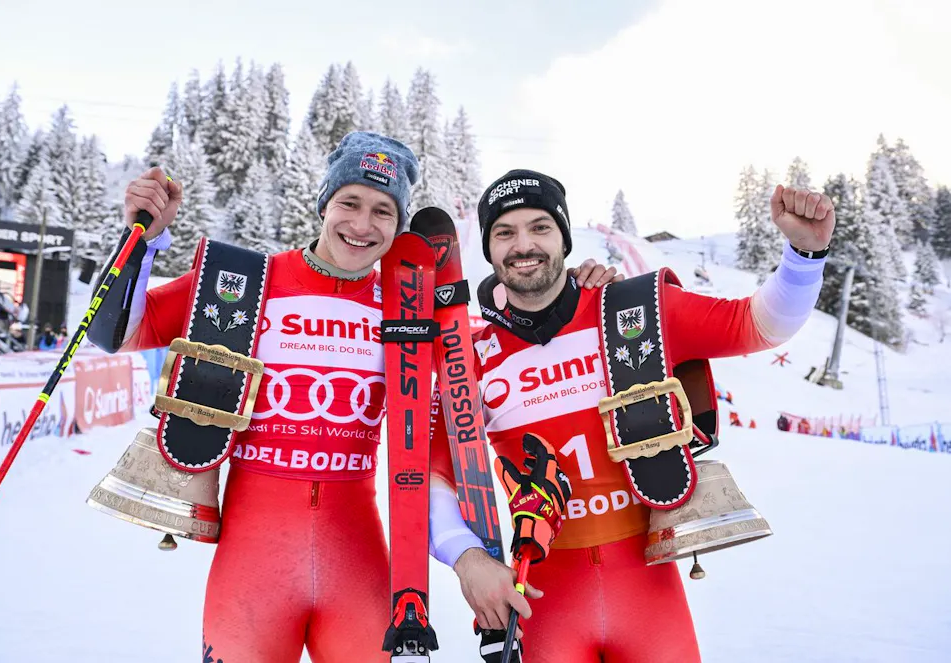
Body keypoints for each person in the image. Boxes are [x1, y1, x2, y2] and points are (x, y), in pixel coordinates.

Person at [91, 133, 620, 663]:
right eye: (350, 202)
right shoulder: (250, 282)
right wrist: (141, 242)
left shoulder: (408, 308)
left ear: (399, 224)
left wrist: (580, 294)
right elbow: (118, 331)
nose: (363, 225)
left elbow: (497, 346)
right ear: (324, 203)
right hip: (252, 568)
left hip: (356, 563)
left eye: (383, 211)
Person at [428, 169, 834, 662]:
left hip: (647, 595)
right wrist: (467, 559)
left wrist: (803, 256)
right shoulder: (468, 358)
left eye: (540, 227)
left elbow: (757, 324)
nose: (523, 245)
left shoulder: (634, 311)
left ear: (564, 238)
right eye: (504, 232)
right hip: (543, 597)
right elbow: (430, 476)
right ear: (489, 249)